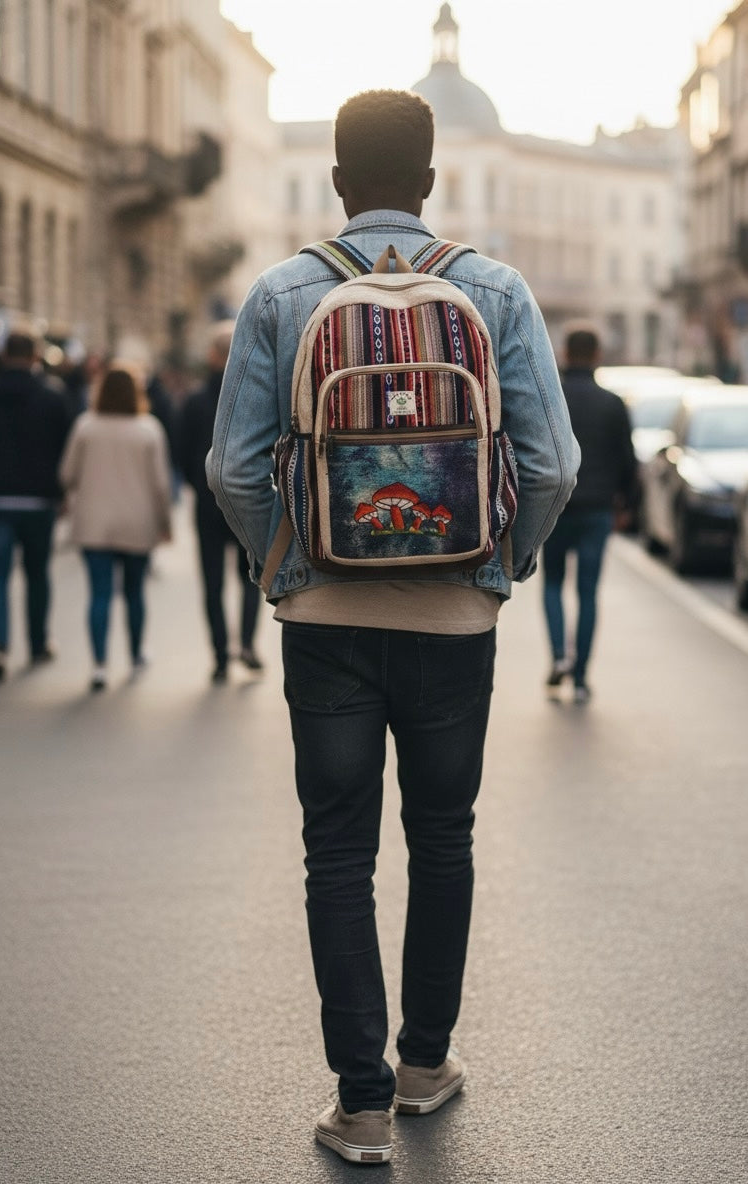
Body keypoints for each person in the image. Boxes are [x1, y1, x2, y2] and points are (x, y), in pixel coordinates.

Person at [206, 89, 579, 1164]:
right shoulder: (494, 289)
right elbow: (552, 466)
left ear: (335, 182)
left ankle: (360, 1104)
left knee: (337, 851)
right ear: (428, 181)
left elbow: (232, 469)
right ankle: (424, 1063)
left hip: (324, 614)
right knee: (444, 837)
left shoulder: (282, 292)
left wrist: (284, 564)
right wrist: (501, 564)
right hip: (455, 616)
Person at [0, 330, 72, 683]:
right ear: (36, 357)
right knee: (37, 574)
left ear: (3, 355)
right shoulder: (53, 397)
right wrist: (62, 494)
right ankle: (38, 643)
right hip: (39, 499)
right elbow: (65, 449)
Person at [59, 362, 173, 692]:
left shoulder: (85, 426)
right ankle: (135, 655)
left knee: (99, 594)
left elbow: (67, 474)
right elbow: (161, 485)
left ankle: (99, 665)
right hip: (137, 523)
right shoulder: (149, 429)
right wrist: (165, 524)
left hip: (94, 523)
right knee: (135, 593)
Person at [542, 327, 637, 703]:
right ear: (597, 355)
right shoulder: (613, 404)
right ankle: (581, 677)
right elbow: (628, 462)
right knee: (587, 592)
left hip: (557, 507)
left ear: (565, 354)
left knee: (552, 584)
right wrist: (626, 506)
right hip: (597, 510)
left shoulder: (552, 399)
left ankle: (558, 656)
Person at [178, 323, 262, 682]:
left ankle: (220, 655)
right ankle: (247, 645)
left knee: (212, 583)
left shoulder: (195, 400)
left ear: (212, 356)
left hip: (207, 503)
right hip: (247, 498)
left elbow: (179, 451)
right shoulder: (252, 397)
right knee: (251, 576)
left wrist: (199, 485)